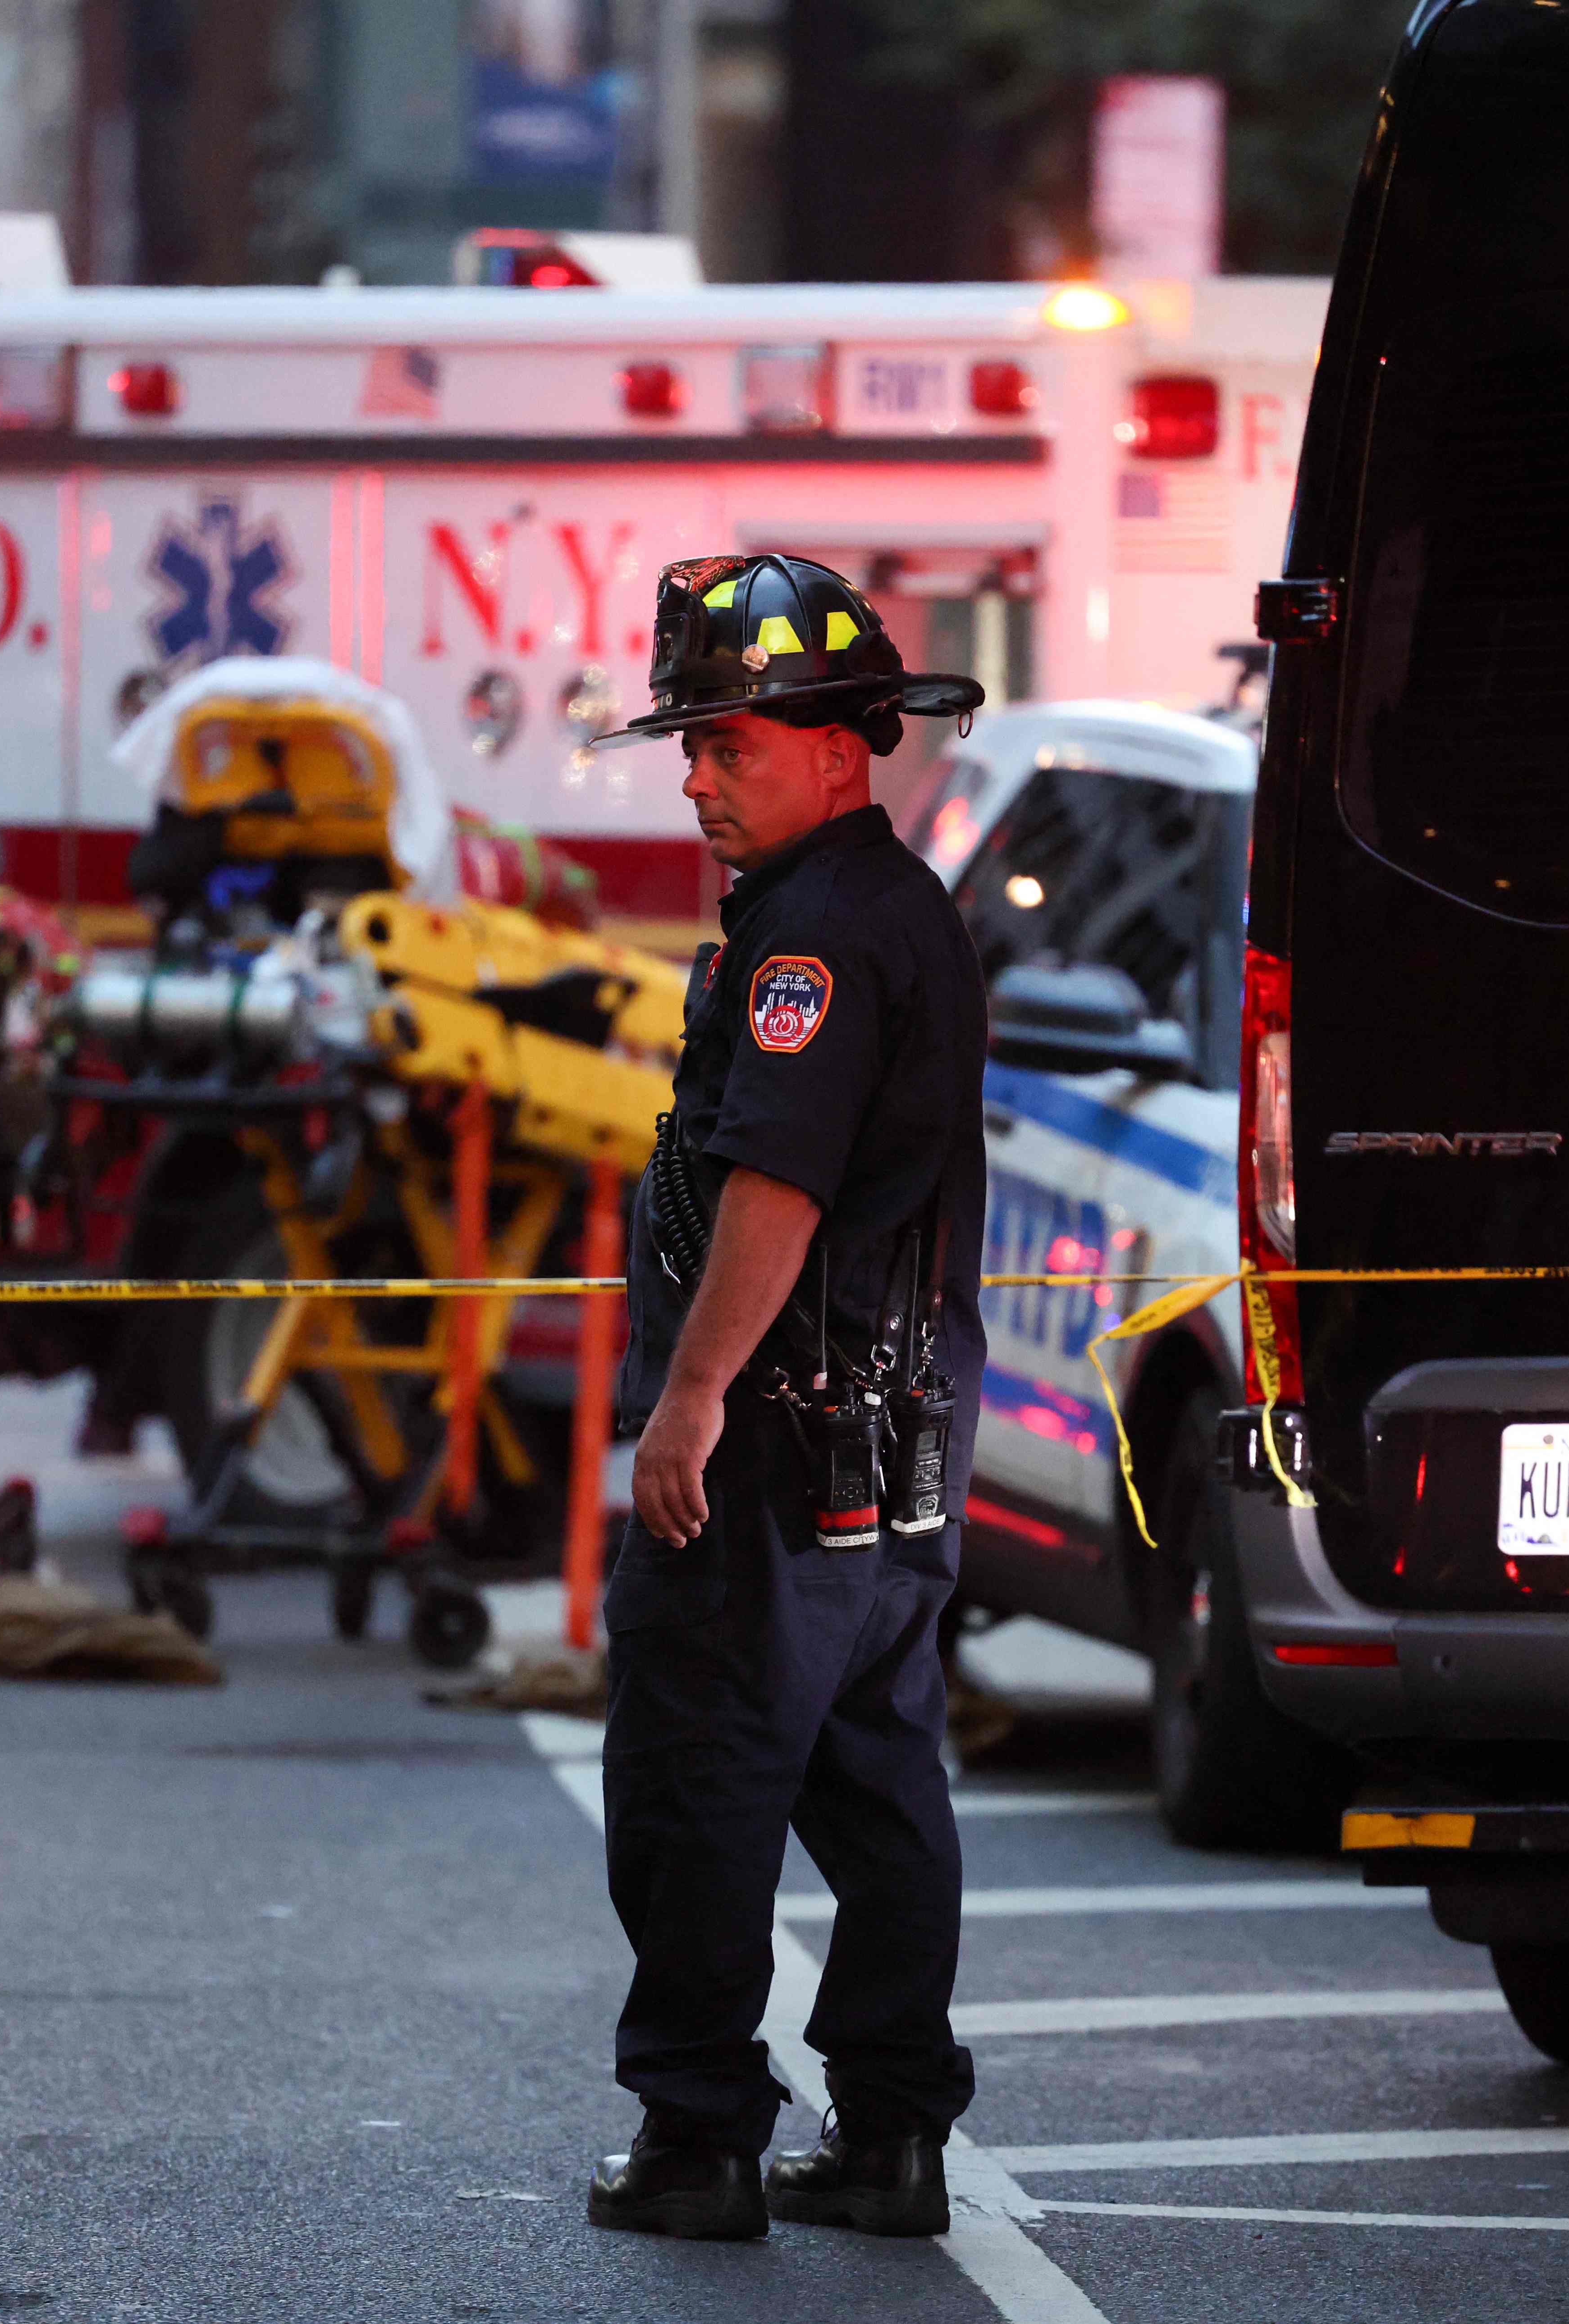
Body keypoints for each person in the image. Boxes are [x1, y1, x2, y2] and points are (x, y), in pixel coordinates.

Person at [578, 554, 990, 2242]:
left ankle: (697, 2136)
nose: (695, 776)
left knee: (695, 1771)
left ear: (836, 747)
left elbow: (775, 1183)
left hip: (775, 1439)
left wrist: (688, 1401)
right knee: (876, 1779)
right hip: (894, 1435)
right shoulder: (901, 909)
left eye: (726, 743)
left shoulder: (810, 937)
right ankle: (889, 2132)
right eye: (690, 743)